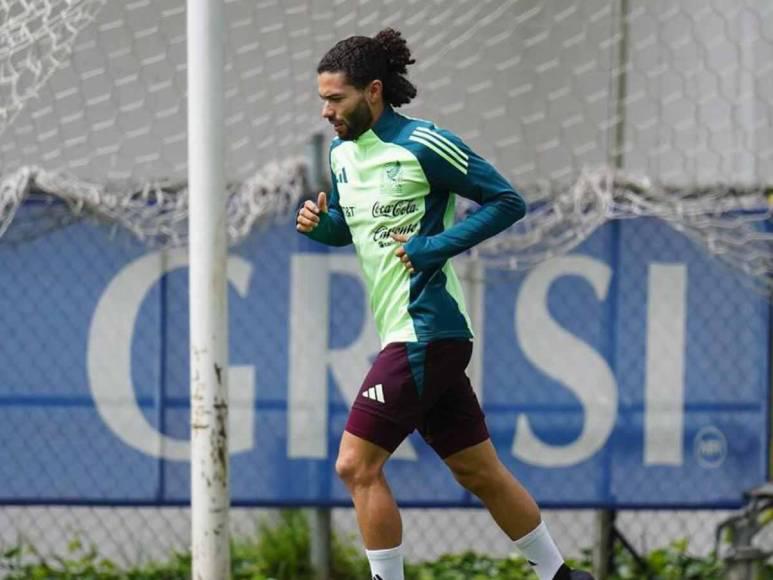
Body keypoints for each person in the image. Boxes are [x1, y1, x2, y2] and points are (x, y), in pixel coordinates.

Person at [296, 28, 594, 580]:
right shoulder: (341, 156)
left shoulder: (423, 144)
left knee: (355, 465)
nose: (325, 111)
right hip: (410, 335)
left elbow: (507, 201)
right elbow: (352, 229)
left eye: (336, 98)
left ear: (374, 92)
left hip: (427, 329)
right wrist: (325, 226)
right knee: (478, 470)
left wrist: (437, 245)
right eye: (323, 99)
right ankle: (561, 576)